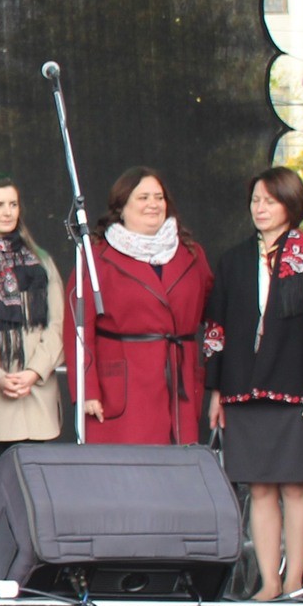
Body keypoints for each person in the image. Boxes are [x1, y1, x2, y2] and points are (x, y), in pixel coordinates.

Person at [203, 166, 303, 600]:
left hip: (296, 386)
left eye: (269, 201)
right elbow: (216, 328)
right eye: (255, 200)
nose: (260, 208)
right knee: (258, 487)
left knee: (295, 485)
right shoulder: (234, 259)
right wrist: (217, 391)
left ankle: (295, 581)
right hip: (243, 388)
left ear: (291, 204)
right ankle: (270, 582)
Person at [0, 175, 64, 577]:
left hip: (35, 396)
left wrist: (34, 371)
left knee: (36, 498)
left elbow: (57, 325)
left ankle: (35, 580)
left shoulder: (41, 260)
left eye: (13, 204)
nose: (7, 212)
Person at [67, 167, 214, 445]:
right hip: (123, 388)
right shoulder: (96, 256)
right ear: (121, 207)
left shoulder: (191, 253)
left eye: (159, 197)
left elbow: (212, 311)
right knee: (128, 466)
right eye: (143, 197)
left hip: (178, 382)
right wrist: (87, 389)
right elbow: (78, 329)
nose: (153, 204)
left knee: (178, 465)